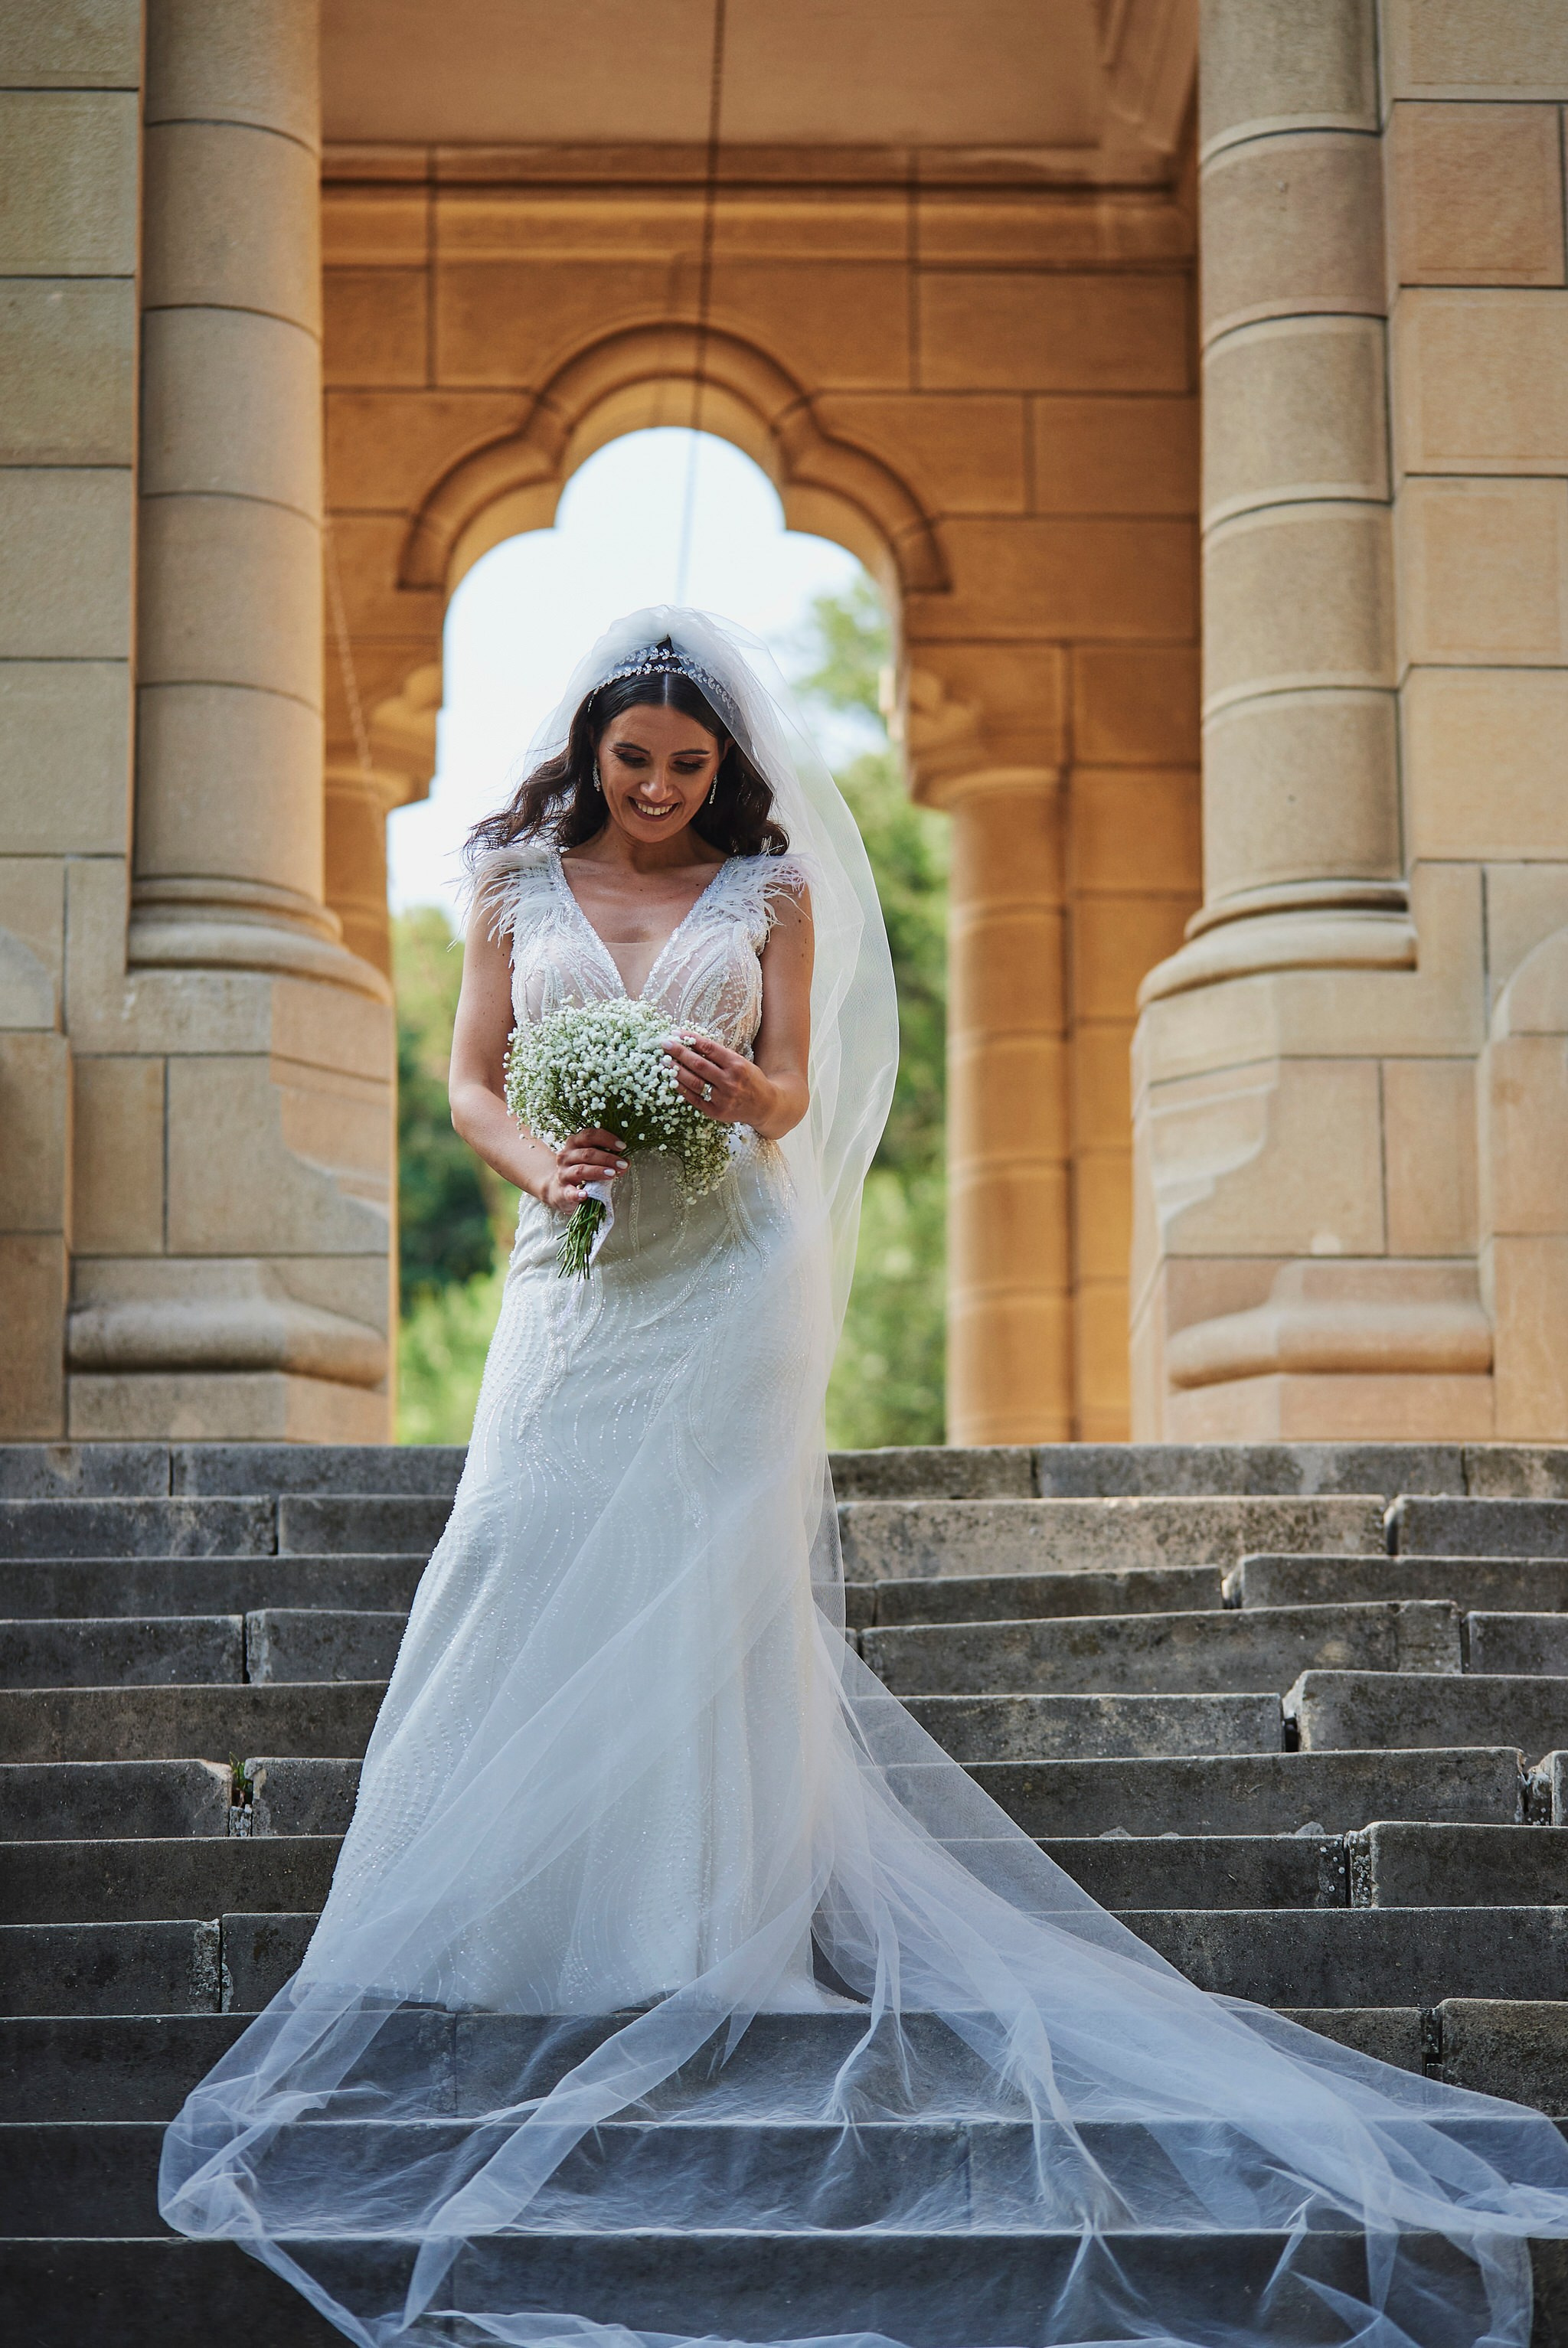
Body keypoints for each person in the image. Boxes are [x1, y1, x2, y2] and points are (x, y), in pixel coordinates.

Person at [162, 609, 1568, 2348]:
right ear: (593, 750)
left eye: (688, 766)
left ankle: (696, 1925)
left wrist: (739, 1085)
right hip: (574, 1258)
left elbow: (799, 1097)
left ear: (723, 766)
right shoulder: (516, 882)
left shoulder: (773, 895)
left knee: (701, 1569)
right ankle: (496, 1913)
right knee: (522, 1539)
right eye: (635, 763)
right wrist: (544, 1153)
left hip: (727, 1273)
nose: (663, 790)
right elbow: (464, 1080)